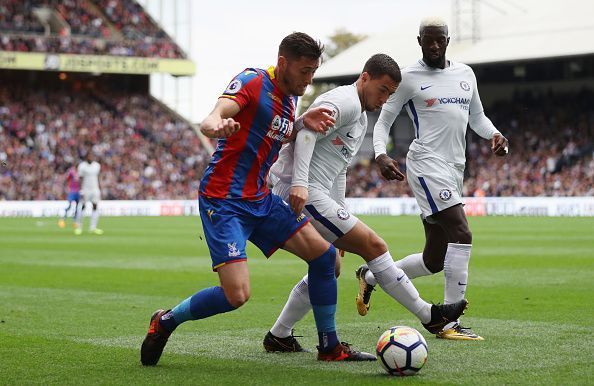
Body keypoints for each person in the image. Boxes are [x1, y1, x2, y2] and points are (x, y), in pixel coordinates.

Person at [140, 32, 376, 366]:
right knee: (236, 295)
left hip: (260, 199)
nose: (309, 80)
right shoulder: (252, 80)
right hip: (224, 201)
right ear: (283, 63)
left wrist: (299, 124)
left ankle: (330, 346)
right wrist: (213, 125)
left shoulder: (289, 98)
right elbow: (217, 113)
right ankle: (165, 321)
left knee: (325, 259)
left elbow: (274, 130)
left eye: (313, 72)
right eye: (305, 71)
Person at [261, 53, 468, 353]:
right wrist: (299, 183)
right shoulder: (345, 101)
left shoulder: (358, 116)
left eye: (391, 95)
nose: (384, 99)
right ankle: (430, 316)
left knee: (328, 266)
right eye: (382, 90)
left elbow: (339, 168)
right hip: (303, 192)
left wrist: (341, 209)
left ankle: (279, 335)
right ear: (365, 77)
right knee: (375, 246)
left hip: (316, 194)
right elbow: (305, 131)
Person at [364, 17, 509, 341]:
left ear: (447, 40)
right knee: (462, 231)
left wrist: (496, 134)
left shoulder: (465, 74)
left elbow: (477, 117)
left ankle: (372, 276)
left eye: (439, 40)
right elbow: (384, 120)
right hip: (426, 163)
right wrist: (380, 154)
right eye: (428, 40)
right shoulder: (410, 77)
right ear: (419, 41)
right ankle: (448, 318)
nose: (433, 45)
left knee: (434, 259)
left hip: (455, 168)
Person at [75, 152, 103, 235]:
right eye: (89, 156)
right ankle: (79, 227)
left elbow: (98, 177)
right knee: (83, 207)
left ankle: (93, 227)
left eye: (92, 156)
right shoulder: (82, 166)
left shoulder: (97, 166)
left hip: (95, 189)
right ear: (86, 157)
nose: (91, 157)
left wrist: (99, 188)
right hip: (85, 189)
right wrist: (81, 190)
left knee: (95, 206)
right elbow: (80, 178)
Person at [58, 164, 80, 229]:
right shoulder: (71, 171)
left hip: (78, 191)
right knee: (70, 205)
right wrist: (67, 187)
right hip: (72, 191)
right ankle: (62, 219)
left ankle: (75, 222)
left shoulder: (80, 171)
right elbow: (66, 179)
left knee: (77, 206)